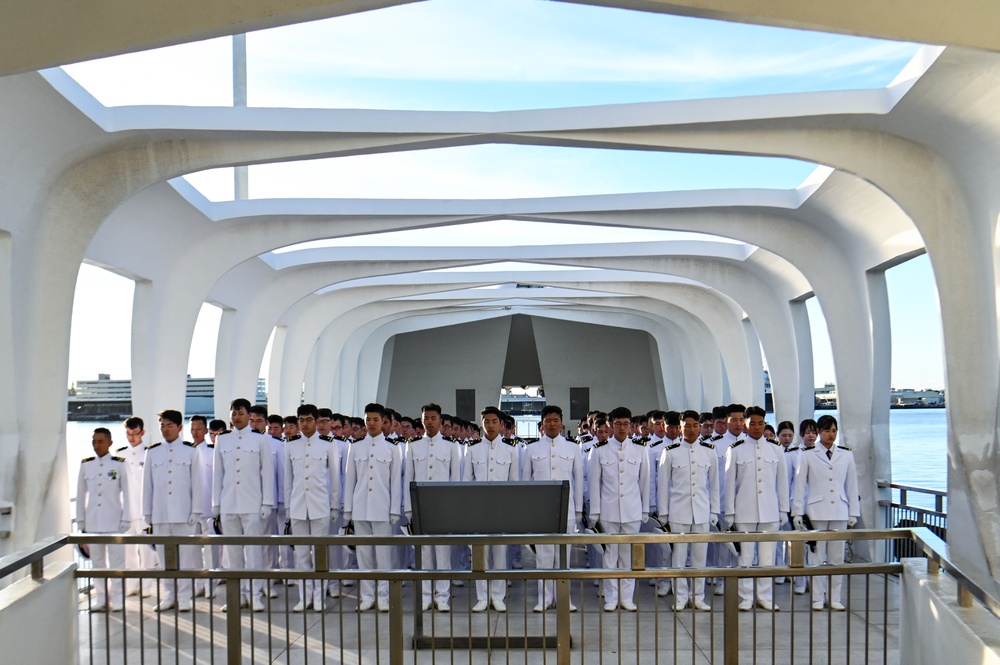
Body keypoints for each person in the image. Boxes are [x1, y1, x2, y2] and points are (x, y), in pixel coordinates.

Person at [212, 398, 275, 612]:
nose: (237, 417)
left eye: (241, 413)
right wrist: (216, 505)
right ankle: (236, 595)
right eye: (234, 413)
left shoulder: (260, 439)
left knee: (254, 552)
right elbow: (217, 474)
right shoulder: (223, 440)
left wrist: (267, 502)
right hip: (229, 503)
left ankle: (255, 594)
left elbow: (267, 473)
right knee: (233, 554)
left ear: (249, 415)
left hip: (252, 503)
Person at [792, 415, 860, 611]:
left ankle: (834, 596)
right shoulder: (807, 454)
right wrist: (797, 512)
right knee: (816, 556)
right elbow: (799, 485)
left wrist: (853, 512)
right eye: (827, 430)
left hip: (839, 509)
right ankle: (817, 597)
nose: (831, 434)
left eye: (834, 430)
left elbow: (851, 485)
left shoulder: (846, 454)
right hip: (816, 510)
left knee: (836, 557)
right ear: (819, 432)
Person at [724, 405, 788, 611]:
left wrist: (783, 510)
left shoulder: (775, 448)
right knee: (745, 557)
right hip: (745, 511)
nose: (757, 427)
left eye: (761, 423)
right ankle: (745, 596)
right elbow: (729, 484)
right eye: (753, 423)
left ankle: (764, 595)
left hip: (769, 511)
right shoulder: (736, 449)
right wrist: (730, 512)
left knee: (767, 557)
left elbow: (782, 483)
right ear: (745, 424)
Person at [521, 405, 584, 613]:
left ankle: (564, 598)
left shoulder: (573, 448)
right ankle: (544, 598)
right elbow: (526, 483)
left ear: (562, 423)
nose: (552, 424)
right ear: (542, 424)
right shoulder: (531, 449)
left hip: (566, 508)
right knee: (544, 556)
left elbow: (578, 481)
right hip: (541, 510)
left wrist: (578, 510)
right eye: (548, 420)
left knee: (564, 557)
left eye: (555, 420)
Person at [403, 403, 463, 612]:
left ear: (440, 421)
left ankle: (443, 596)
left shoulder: (451, 447)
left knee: (443, 554)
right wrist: (409, 508)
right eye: (426, 418)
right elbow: (408, 480)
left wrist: (454, 509)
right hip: (421, 508)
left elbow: (456, 481)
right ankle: (426, 595)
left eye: (433, 418)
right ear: (422, 421)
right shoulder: (413, 446)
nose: (429, 422)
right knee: (425, 554)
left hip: (443, 509)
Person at [589, 406, 650, 612]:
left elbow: (645, 482)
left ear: (631, 425)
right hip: (608, 511)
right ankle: (611, 597)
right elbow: (594, 484)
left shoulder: (640, 449)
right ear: (610, 425)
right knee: (610, 556)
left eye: (625, 424)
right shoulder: (599, 450)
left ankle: (627, 597)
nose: (622, 428)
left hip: (632, 511)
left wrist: (644, 510)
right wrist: (595, 512)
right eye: (617, 424)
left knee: (628, 556)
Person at [658, 411, 720, 611]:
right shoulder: (671, 451)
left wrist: (714, 511)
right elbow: (663, 485)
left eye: (695, 425)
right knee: (678, 558)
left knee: (699, 558)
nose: (691, 429)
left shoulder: (709, 451)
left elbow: (714, 485)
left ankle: (698, 596)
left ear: (700, 427)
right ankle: (680, 597)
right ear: (680, 427)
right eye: (687, 425)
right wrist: (664, 513)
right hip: (678, 511)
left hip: (702, 511)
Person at [343, 402, 403, 612]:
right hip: (360, 509)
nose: (371, 423)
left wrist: (395, 509)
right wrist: (348, 510)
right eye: (368, 419)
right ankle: (367, 596)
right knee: (364, 555)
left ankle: (383, 596)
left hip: (382, 508)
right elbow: (350, 480)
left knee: (383, 555)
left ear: (384, 422)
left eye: (375, 420)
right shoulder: (356, 446)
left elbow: (396, 482)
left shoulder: (393, 449)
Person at [142, 410, 203, 612]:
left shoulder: (191, 451)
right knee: (164, 558)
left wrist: (196, 511)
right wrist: (147, 513)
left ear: (179, 427)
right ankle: (169, 595)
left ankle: (185, 596)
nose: (165, 429)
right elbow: (147, 485)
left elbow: (197, 483)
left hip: (183, 513)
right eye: (162, 426)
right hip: (160, 514)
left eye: (169, 425)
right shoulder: (152, 452)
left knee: (185, 557)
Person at [284, 404, 340, 612]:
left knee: (319, 554)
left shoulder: (327, 444)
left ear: (316, 421)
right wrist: (289, 508)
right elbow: (288, 481)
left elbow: (335, 479)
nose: (305, 424)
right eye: (301, 420)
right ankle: (304, 597)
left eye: (308, 419)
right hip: (299, 506)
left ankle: (319, 597)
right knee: (301, 555)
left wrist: (334, 506)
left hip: (320, 506)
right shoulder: (290, 445)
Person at [465, 406, 519, 612]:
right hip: (478, 510)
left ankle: (498, 596)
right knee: (480, 555)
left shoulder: (511, 450)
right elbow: (466, 483)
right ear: (481, 423)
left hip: (501, 510)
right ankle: (481, 596)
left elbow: (514, 484)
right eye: (486, 421)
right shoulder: (472, 449)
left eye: (494, 422)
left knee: (499, 554)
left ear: (501, 424)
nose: (490, 425)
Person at [77, 427, 130, 612]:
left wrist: (127, 519)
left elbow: (128, 494)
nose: (96, 445)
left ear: (110, 443)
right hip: (93, 523)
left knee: (117, 564)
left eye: (100, 441)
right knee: (97, 564)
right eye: (94, 442)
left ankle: (118, 600)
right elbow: (81, 495)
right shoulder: (86, 465)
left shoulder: (119, 464)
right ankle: (101, 598)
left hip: (114, 521)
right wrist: (81, 524)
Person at [118, 416, 157, 597]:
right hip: (127, 510)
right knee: (129, 551)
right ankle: (132, 583)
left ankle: (147, 585)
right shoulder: (120, 456)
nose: (131, 438)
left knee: (147, 550)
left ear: (143, 433)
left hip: (145, 510)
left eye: (135, 434)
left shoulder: (150, 453)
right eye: (128, 434)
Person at [189, 415, 220, 598]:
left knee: (211, 549)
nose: (195, 433)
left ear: (206, 431)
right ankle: (198, 583)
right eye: (192, 429)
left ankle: (211, 584)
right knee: (193, 549)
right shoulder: (186, 451)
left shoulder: (212, 451)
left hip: (209, 507)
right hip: (193, 508)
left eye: (199, 429)